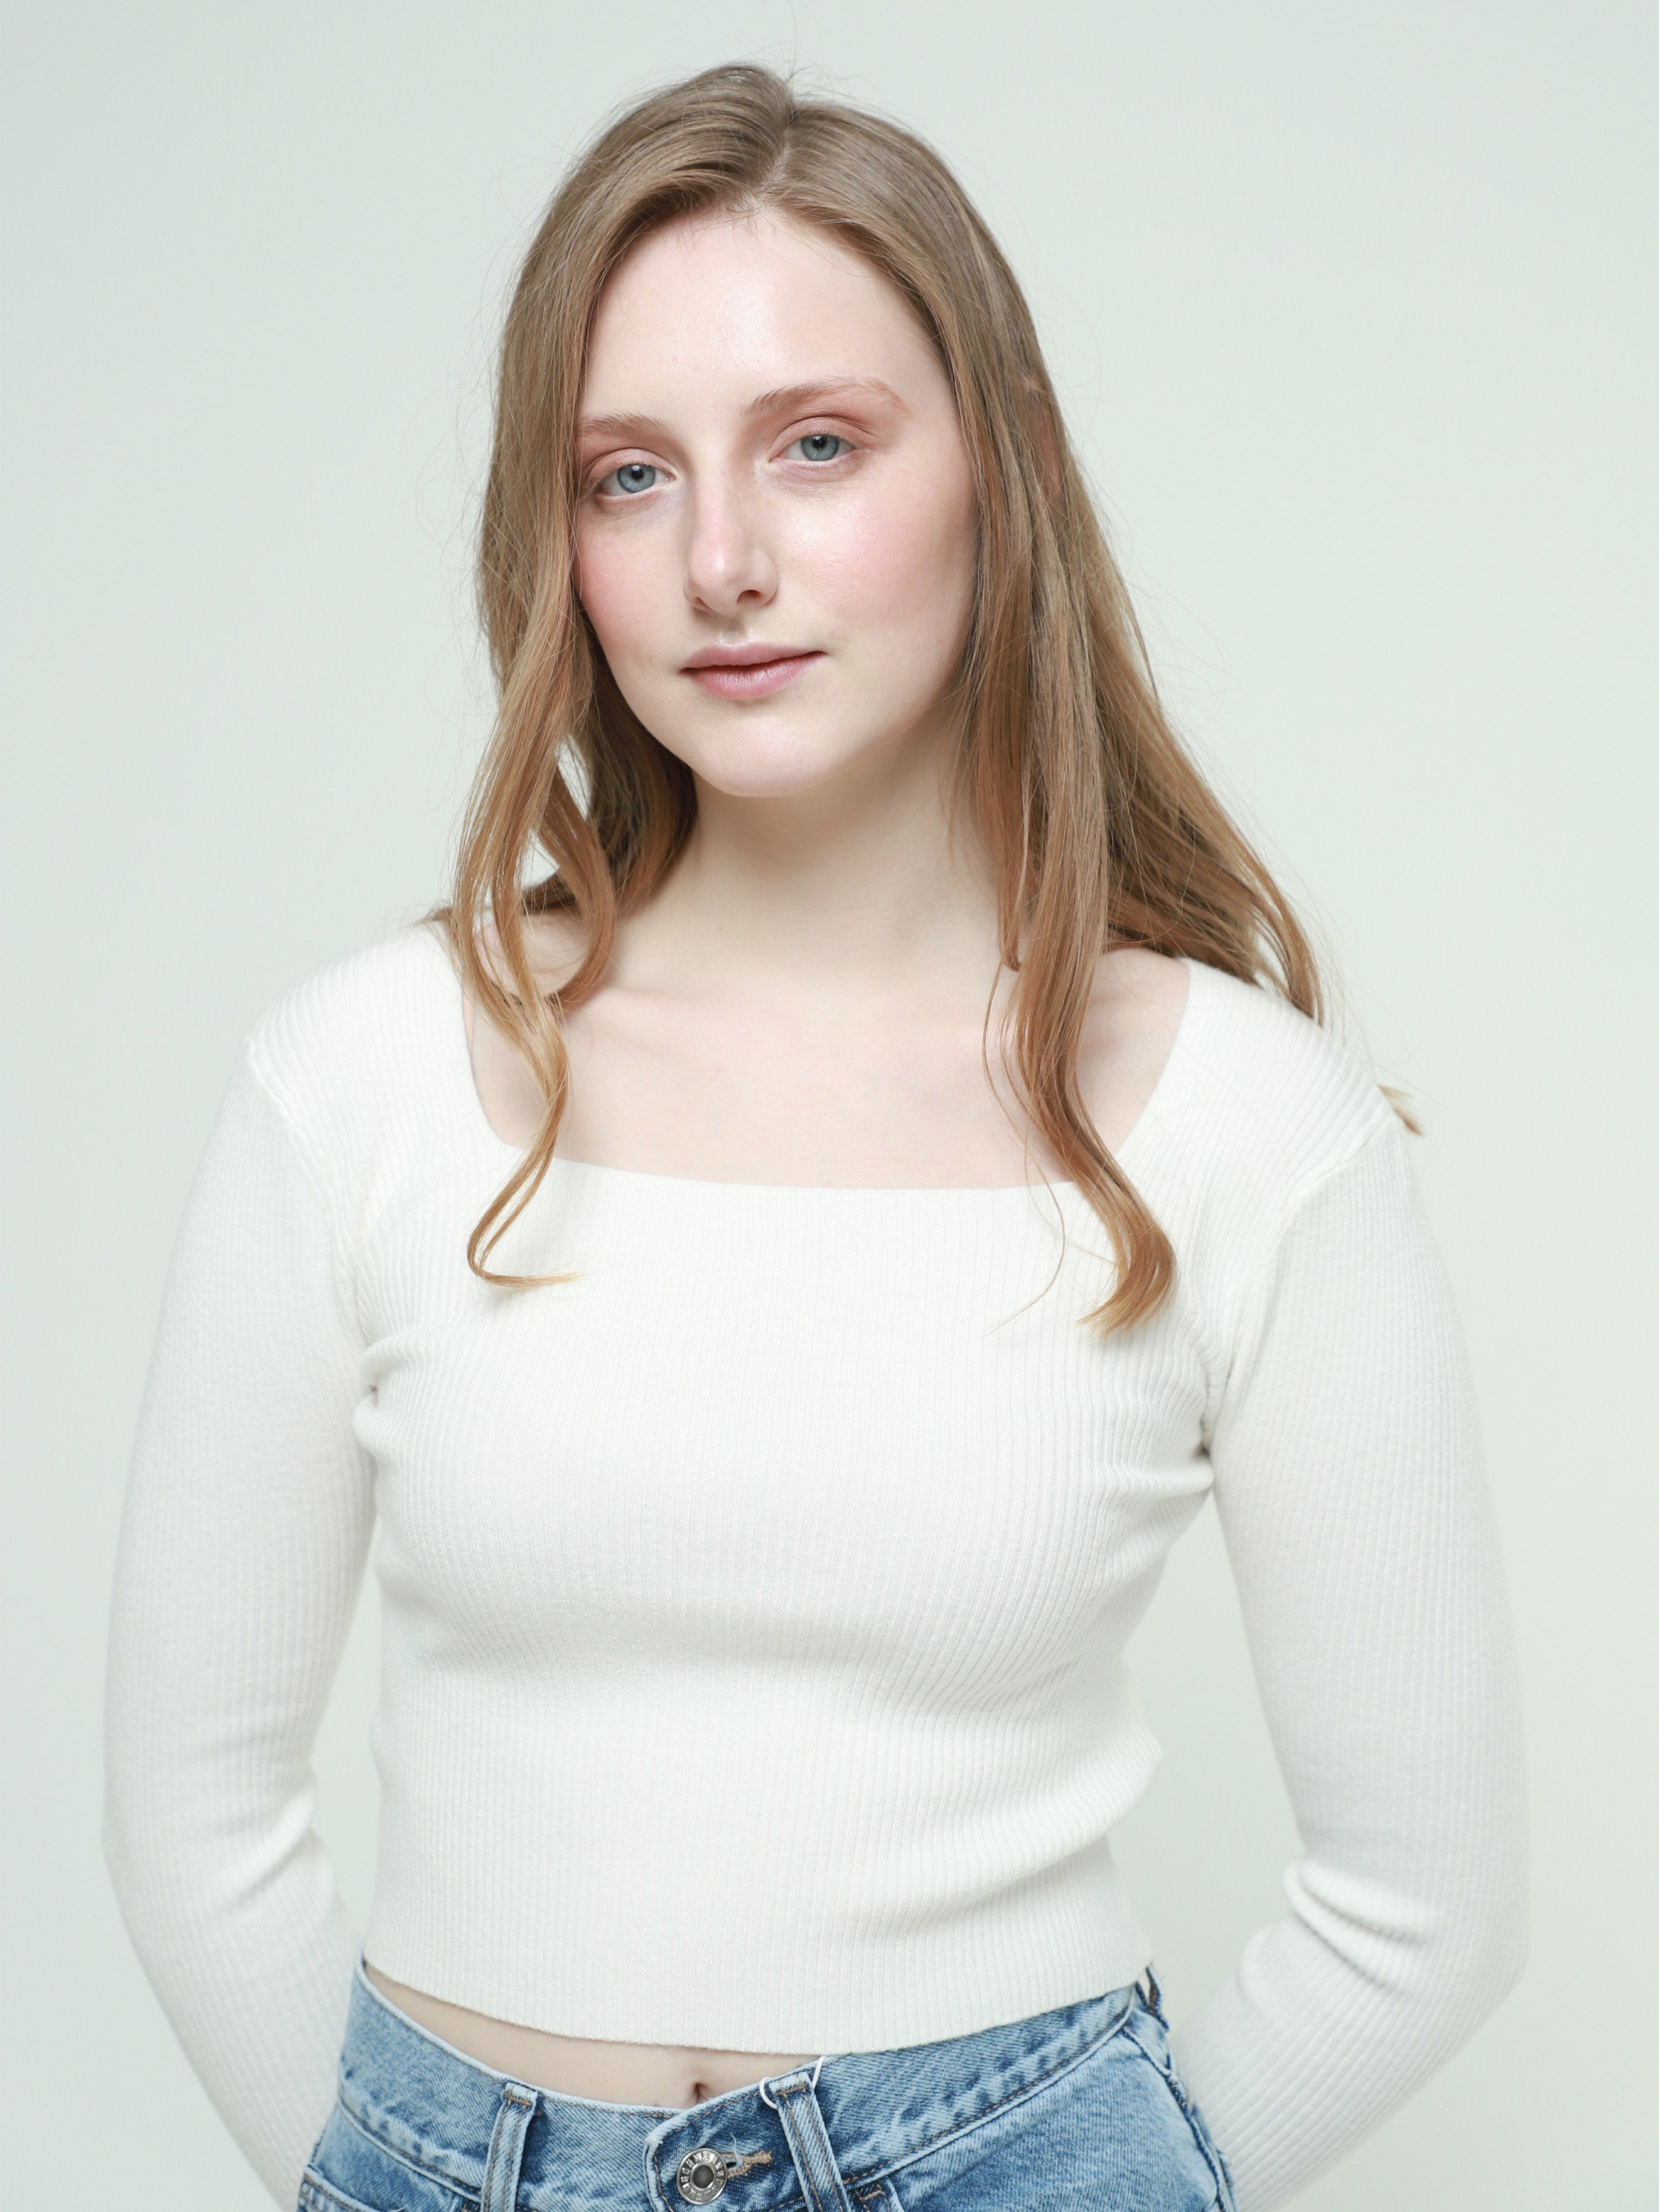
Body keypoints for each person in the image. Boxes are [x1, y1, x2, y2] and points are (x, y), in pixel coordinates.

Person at [103, 61, 1528, 2212]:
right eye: (628, 475)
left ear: (1009, 462)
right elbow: (193, 1807)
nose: (723, 561)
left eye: (819, 445)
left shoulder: (1248, 1125)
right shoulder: (364, 1074)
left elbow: (1423, 1906)